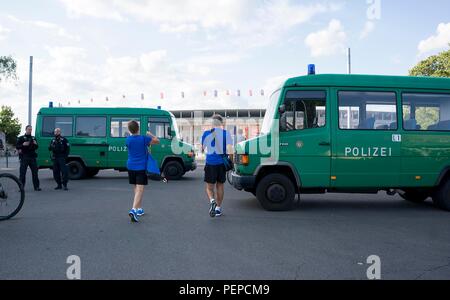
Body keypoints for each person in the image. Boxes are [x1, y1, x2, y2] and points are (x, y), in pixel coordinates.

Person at [126, 120, 160, 223]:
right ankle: (133, 210)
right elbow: (157, 141)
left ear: (129, 130)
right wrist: (150, 134)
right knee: (140, 189)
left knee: (137, 188)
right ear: (138, 128)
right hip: (140, 167)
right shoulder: (143, 139)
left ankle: (139, 209)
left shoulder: (127, 140)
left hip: (130, 166)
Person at [201, 114, 233, 218]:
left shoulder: (206, 133)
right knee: (220, 186)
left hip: (210, 163)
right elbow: (230, 151)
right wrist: (230, 161)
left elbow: (202, 148)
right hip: (221, 164)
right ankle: (218, 209)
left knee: (209, 188)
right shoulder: (226, 134)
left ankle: (212, 200)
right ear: (221, 123)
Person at [16, 125, 41, 191]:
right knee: (22, 173)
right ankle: (21, 187)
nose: (30, 131)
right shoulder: (21, 138)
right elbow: (17, 146)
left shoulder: (33, 138)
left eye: (31, 129)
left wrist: (36, 144)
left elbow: (36, 147)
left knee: (35, 173)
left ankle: (36, 187)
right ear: (26, 129)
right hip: (24, 157)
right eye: (29, 129)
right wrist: (23, 145)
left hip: (32, 157)